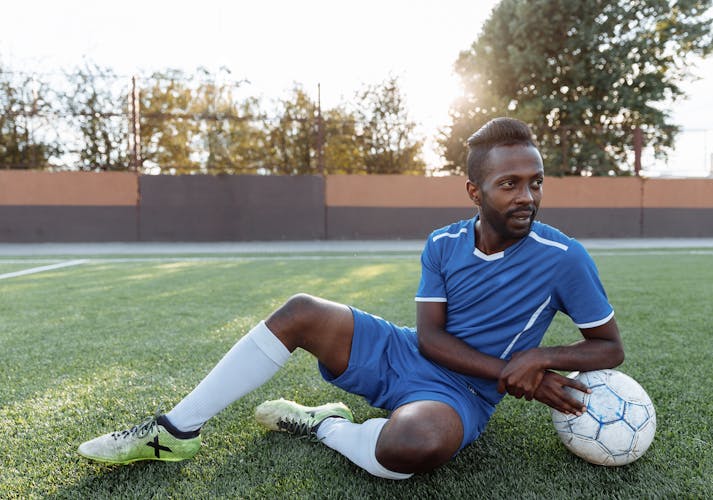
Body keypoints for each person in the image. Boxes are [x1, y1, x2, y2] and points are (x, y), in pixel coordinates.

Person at [78, 117, 624, 479]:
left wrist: (542, 357)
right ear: (475, 192)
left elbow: (608, 348)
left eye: (536, 182)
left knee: (416, 443)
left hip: (465, 396)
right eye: (510, 184)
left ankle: (324, 425)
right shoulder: (443, 243)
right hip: (408, 353)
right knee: (300, 312)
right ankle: (174, 431)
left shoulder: (565, 257)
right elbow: (430, 338)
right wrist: (515, 368)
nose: (527, 196)